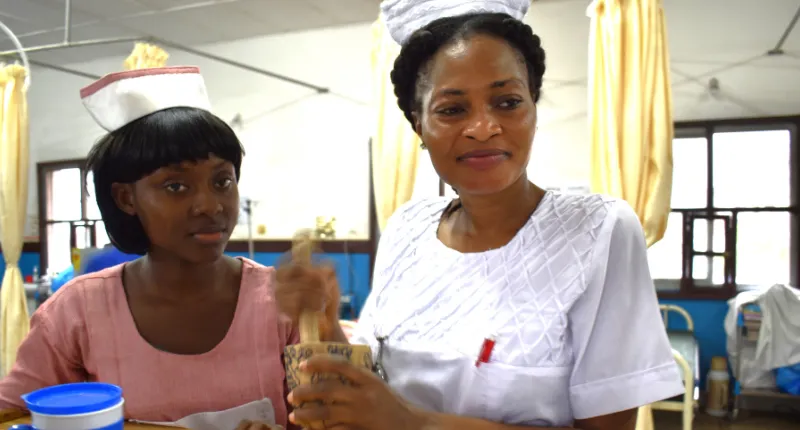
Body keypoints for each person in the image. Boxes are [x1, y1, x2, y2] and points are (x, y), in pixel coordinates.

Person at [275, 3, 684, 430]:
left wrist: (411, 423)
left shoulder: (598, 232)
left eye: (507, 102)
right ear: (419, 126)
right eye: (452, 110)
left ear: (533, 111)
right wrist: (323, 321)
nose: (483, 127)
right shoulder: (406, 228)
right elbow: (372, 386)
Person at [0, 66, 292, 430]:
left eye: (222, 181)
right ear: (126, 198)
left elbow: (338, 415)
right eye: (175, 186)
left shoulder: (284, 302)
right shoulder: (77, 313)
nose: (210, 205)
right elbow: (13, 414)